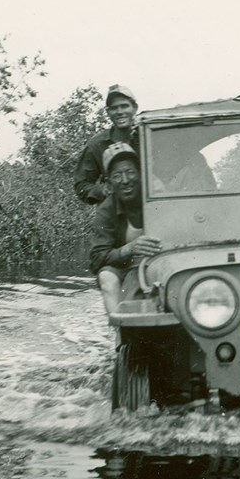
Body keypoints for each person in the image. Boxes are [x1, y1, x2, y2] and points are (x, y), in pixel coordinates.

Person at [89, 143, 162, 317]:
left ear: (140, 173)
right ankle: (120, 333)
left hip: (159, 262)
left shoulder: (157, 198)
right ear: (110, 182)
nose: (125, 180)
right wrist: (128, 249)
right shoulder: (106, 210)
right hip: (124, 267)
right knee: (107, 278)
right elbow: (96, 259)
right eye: (117, 175)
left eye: (130, 172)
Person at [74, 84, 140, 205]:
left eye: (124, 106)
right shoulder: (96, 144)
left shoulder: (145, 137)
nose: (119, 112)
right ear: (108, 112)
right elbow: (81, 185)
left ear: (134, 108)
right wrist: (104, 190)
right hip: (114, 213)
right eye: (114, 108)